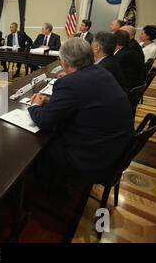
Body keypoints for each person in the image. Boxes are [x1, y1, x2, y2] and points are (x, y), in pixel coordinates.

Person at [28, 38, 134, 194]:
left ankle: (47, 187)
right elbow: (85, 100)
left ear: (64, 63)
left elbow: (45, 121)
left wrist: (35, 106)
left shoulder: (69, 83)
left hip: (96, 157)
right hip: (119, 149)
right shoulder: (103, 71)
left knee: (41, 144)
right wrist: (52, 100)